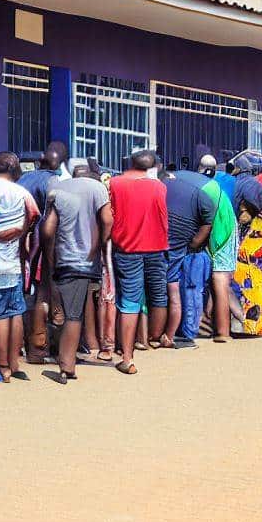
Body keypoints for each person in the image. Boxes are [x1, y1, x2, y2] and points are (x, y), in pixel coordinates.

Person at [41, 160, 112, 382]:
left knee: (67, 309)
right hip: (83, 262)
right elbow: (108, 220)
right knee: (74, 315)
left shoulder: (57, 190)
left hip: (62, 259)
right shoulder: (98, 188)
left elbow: (48, 229)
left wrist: (50, 257)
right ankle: (66, 365)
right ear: (89, 174)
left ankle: (66, 360)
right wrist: (99, 245)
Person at [108, 150, 168, 374]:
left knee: (130, 302)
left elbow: (110, 214)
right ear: (152, 166)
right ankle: (155, 339)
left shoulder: (115, 184)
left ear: (130, 162)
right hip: (156, 247)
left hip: (127, 248)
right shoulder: (159, 187)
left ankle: (127, 357)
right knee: (158, 296)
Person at [0, 152, 39, 382]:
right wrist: (20, 231)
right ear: (14, 168)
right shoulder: (22, 191)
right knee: (15, 313)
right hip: (13, 262)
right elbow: (34, 214)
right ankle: (15, 363)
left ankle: (3, 367)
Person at [19, 140, 68, 365]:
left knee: (21, 297)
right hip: (38, 244)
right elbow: (47, 223)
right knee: (43, 294)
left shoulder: (24, 178)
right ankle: (37, 350)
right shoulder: (52, 181)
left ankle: (19, 344)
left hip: (17, 243)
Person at [161, 166, 216, 347]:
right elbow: (208, 221)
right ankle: (178, 332)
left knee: (169, 288)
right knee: (179, 288)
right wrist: (192, 243)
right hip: (187, 245)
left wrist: (192, 244)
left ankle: (166, 333)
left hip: (178, 246)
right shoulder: (203, 191)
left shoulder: (164, 184)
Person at [185, 154, 237, 344]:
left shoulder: (203, 185)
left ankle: (223, 331)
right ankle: (214, 325)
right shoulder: (217, 182)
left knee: (219, 280)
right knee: (216, 280)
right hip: (225, 229)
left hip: (223, 233)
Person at [230, 153, 262, 336]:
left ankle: (251, 327)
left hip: (251, 242)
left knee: (249, 282)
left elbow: (244, 216)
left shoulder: (241, 184)